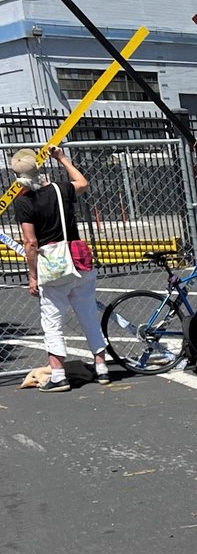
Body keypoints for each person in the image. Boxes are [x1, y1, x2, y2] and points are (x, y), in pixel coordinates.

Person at [12, 146, 110, 392]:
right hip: (78, 259)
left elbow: (30, 242)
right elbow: (82, 182)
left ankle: (58, 374)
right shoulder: (60, 189)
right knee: (88, 315)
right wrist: (62, 158)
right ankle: (101, 367)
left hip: (54, 267)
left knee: (52, 320)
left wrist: (33, 275)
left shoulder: (24, 201)